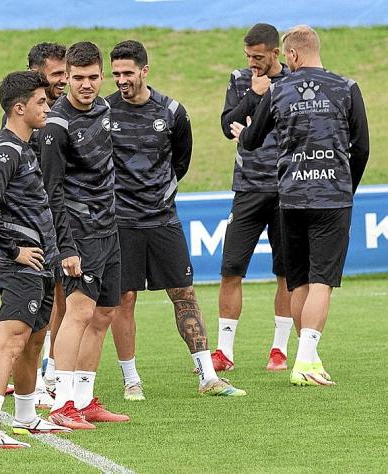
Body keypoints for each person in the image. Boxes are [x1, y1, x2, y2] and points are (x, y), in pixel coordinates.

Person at [107, 40, 246, 400]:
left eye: (128, 72)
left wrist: (157, 194)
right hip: (120, 221)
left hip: (163, 220)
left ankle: (207, 376)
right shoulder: (102, 111)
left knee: (183, 294)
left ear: (144, 71)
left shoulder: (171, 112)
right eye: (116, 73)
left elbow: (180, 162)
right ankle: (131, 380)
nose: (122, 79)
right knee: (124, 299)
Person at [231, 25, 369, 386]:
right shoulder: (347, 88)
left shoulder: (278, 90)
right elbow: (362, 146)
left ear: (290, 55)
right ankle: (305, 361)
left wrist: (241, 134)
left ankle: (306, 358)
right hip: (332, 198)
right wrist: (345, 186)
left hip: (290, 198)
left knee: (299, 283)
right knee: (322, 282)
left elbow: (253, 140)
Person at [0, 71, 71, 449]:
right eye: (41, 102)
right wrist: (14, 250)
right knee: (11, 343)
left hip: (42, 265)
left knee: (33, 342)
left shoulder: (24, 148)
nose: (47, 107)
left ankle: (26, 416)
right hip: (21, 267)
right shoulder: (5, 152)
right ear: (19, 108)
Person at [40, 41, 127, 430]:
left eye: (93, 77)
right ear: (67, 78)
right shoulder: (56, 126)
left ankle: (85, 399)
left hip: (109, 228)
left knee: (105, 312)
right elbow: (50, 192)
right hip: (78, 232)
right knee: (78, 312)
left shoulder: (105, 109)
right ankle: (61, 403)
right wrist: (65, 246)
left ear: (101, 75)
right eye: (78, 78)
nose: (87, 85)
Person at [216, 23, 294, 372]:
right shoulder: (239, 79)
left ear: (276, 53)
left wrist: (257, 112)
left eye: (259, 57)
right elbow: (226, 126)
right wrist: (254, 95)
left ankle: (279, 350)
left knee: (286, 273)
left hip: (286, 189)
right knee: (231, 269)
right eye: (248, 56)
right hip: (247, 187)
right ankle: (224, 352)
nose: (252, 63)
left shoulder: (295, 81)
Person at [24, 42, 68, 408]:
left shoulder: (62, 113)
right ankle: (33, 379)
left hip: (61, 224)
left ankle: (50, 372)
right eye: (57, 74)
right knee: (32, 305)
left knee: (62, 297)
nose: (65, 81)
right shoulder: (27, 119)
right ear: (37, 74)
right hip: (32, 229)